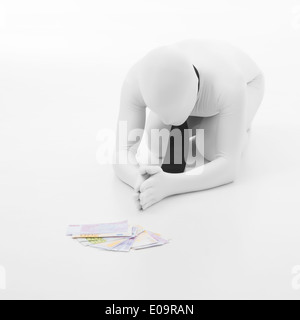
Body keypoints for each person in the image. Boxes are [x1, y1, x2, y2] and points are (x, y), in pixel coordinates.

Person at [113, 39, 265, 211]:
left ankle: (238, 130)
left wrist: (170, 185)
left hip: (248, 84)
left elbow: (229, 167)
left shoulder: (229, 83)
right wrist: (139, 180)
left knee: (209, 147)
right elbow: (121, 152)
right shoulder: (136, 80)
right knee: (157, 142)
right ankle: (207, 125)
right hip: (193, 87)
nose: (169, 122)